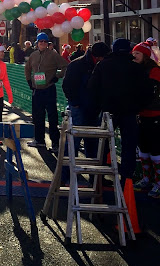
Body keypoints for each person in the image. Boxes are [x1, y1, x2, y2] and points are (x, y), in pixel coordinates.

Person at [88, 38, 150, 185]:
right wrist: (139, 107)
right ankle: (126, 180)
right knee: (128, 146)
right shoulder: (136, 68)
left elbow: (92, 88)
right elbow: (146, 91)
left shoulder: (103, 65)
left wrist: (99, 106)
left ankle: (97, 178)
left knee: (102, 144)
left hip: (108, 111)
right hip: (129, 111)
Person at [61, 41, 111, 158]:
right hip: (79, 107)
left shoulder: (91, 64)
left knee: (92, 140)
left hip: (93, 108)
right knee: (74, 139)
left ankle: (91, 167)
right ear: (98, 56)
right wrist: (75, 102)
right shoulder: (78, 65)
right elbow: (67, 85)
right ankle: (67, 167)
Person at [24, 32, 68, 153]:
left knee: (52, 117)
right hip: (37, 90)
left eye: (45, 42)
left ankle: (55, 144)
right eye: (40, 41)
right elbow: (27, 68)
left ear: (48, 43)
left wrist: (57, 76)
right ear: (37, 43)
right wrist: (29, 81)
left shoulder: (53, 55)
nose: (43, 43)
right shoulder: (33, 55)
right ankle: (39, 140)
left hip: (49, 89)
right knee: (38, 116)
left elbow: (65, 66)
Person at [132, 42, 160, 198]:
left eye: (138, 53)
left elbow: (151, 92)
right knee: (143, 149)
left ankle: (158, 182)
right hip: (141, 114)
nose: (134, 56)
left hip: (155, 114)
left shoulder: (154, 70)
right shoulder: (137, 69)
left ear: (146, 55)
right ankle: (147, 178)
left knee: (156, 149)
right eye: (133, 53)